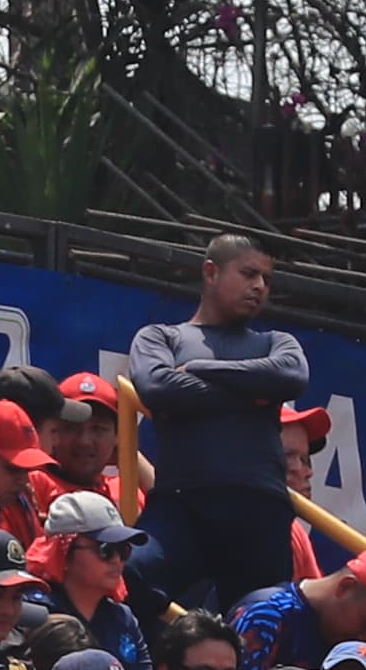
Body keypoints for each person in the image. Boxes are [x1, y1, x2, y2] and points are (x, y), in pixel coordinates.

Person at [129, 236, 308, 606]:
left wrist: (200, 369)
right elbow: (156, 386)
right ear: (210, 272)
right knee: (131, 573)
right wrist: (252, 396)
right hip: (181, 505)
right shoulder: (161, 336)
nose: (259, 286)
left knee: (261, 622)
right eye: (248, 273)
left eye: (267, 279)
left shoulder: (277, 342)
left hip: (258, 511)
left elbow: (292, 375)